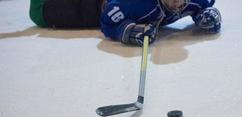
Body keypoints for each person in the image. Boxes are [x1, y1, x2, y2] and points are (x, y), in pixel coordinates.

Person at [29, 0, 221, 45]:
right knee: (40, 13)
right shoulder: (135, 4)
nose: (179, 3)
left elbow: (204, 6)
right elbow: (107, 21)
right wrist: (126, 30)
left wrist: (206, 17)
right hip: (97, 5)